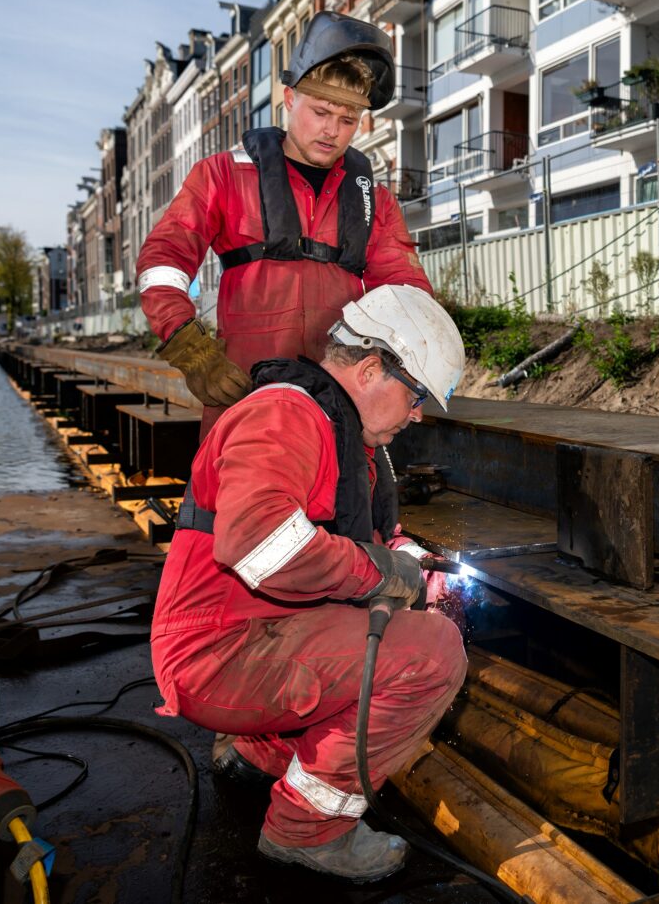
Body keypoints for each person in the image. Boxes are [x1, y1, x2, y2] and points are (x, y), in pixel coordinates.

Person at [150, 285, 466, 882]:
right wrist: (383, 575)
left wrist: (411, 563)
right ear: (372, 369)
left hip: (257, 634)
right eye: (417, 394)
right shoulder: (285, 415)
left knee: (409, 624)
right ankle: (307, 831)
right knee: (433, 653)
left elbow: (372, 536)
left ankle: (260, 756)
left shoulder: (350, 438)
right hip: (215, 650)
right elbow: (260, 544)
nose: (419, 413)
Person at [136, 12, 431, 435]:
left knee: (345, 500)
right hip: (245, 401)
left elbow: (409, 296)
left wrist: (392, 380)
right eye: (320, 111)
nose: (332, 130)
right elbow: (162, 261)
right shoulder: (222, 175)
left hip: (339, 410)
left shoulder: (374, 201)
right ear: (290, 99)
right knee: (238, 497)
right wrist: (189, 347)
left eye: (347, 120)